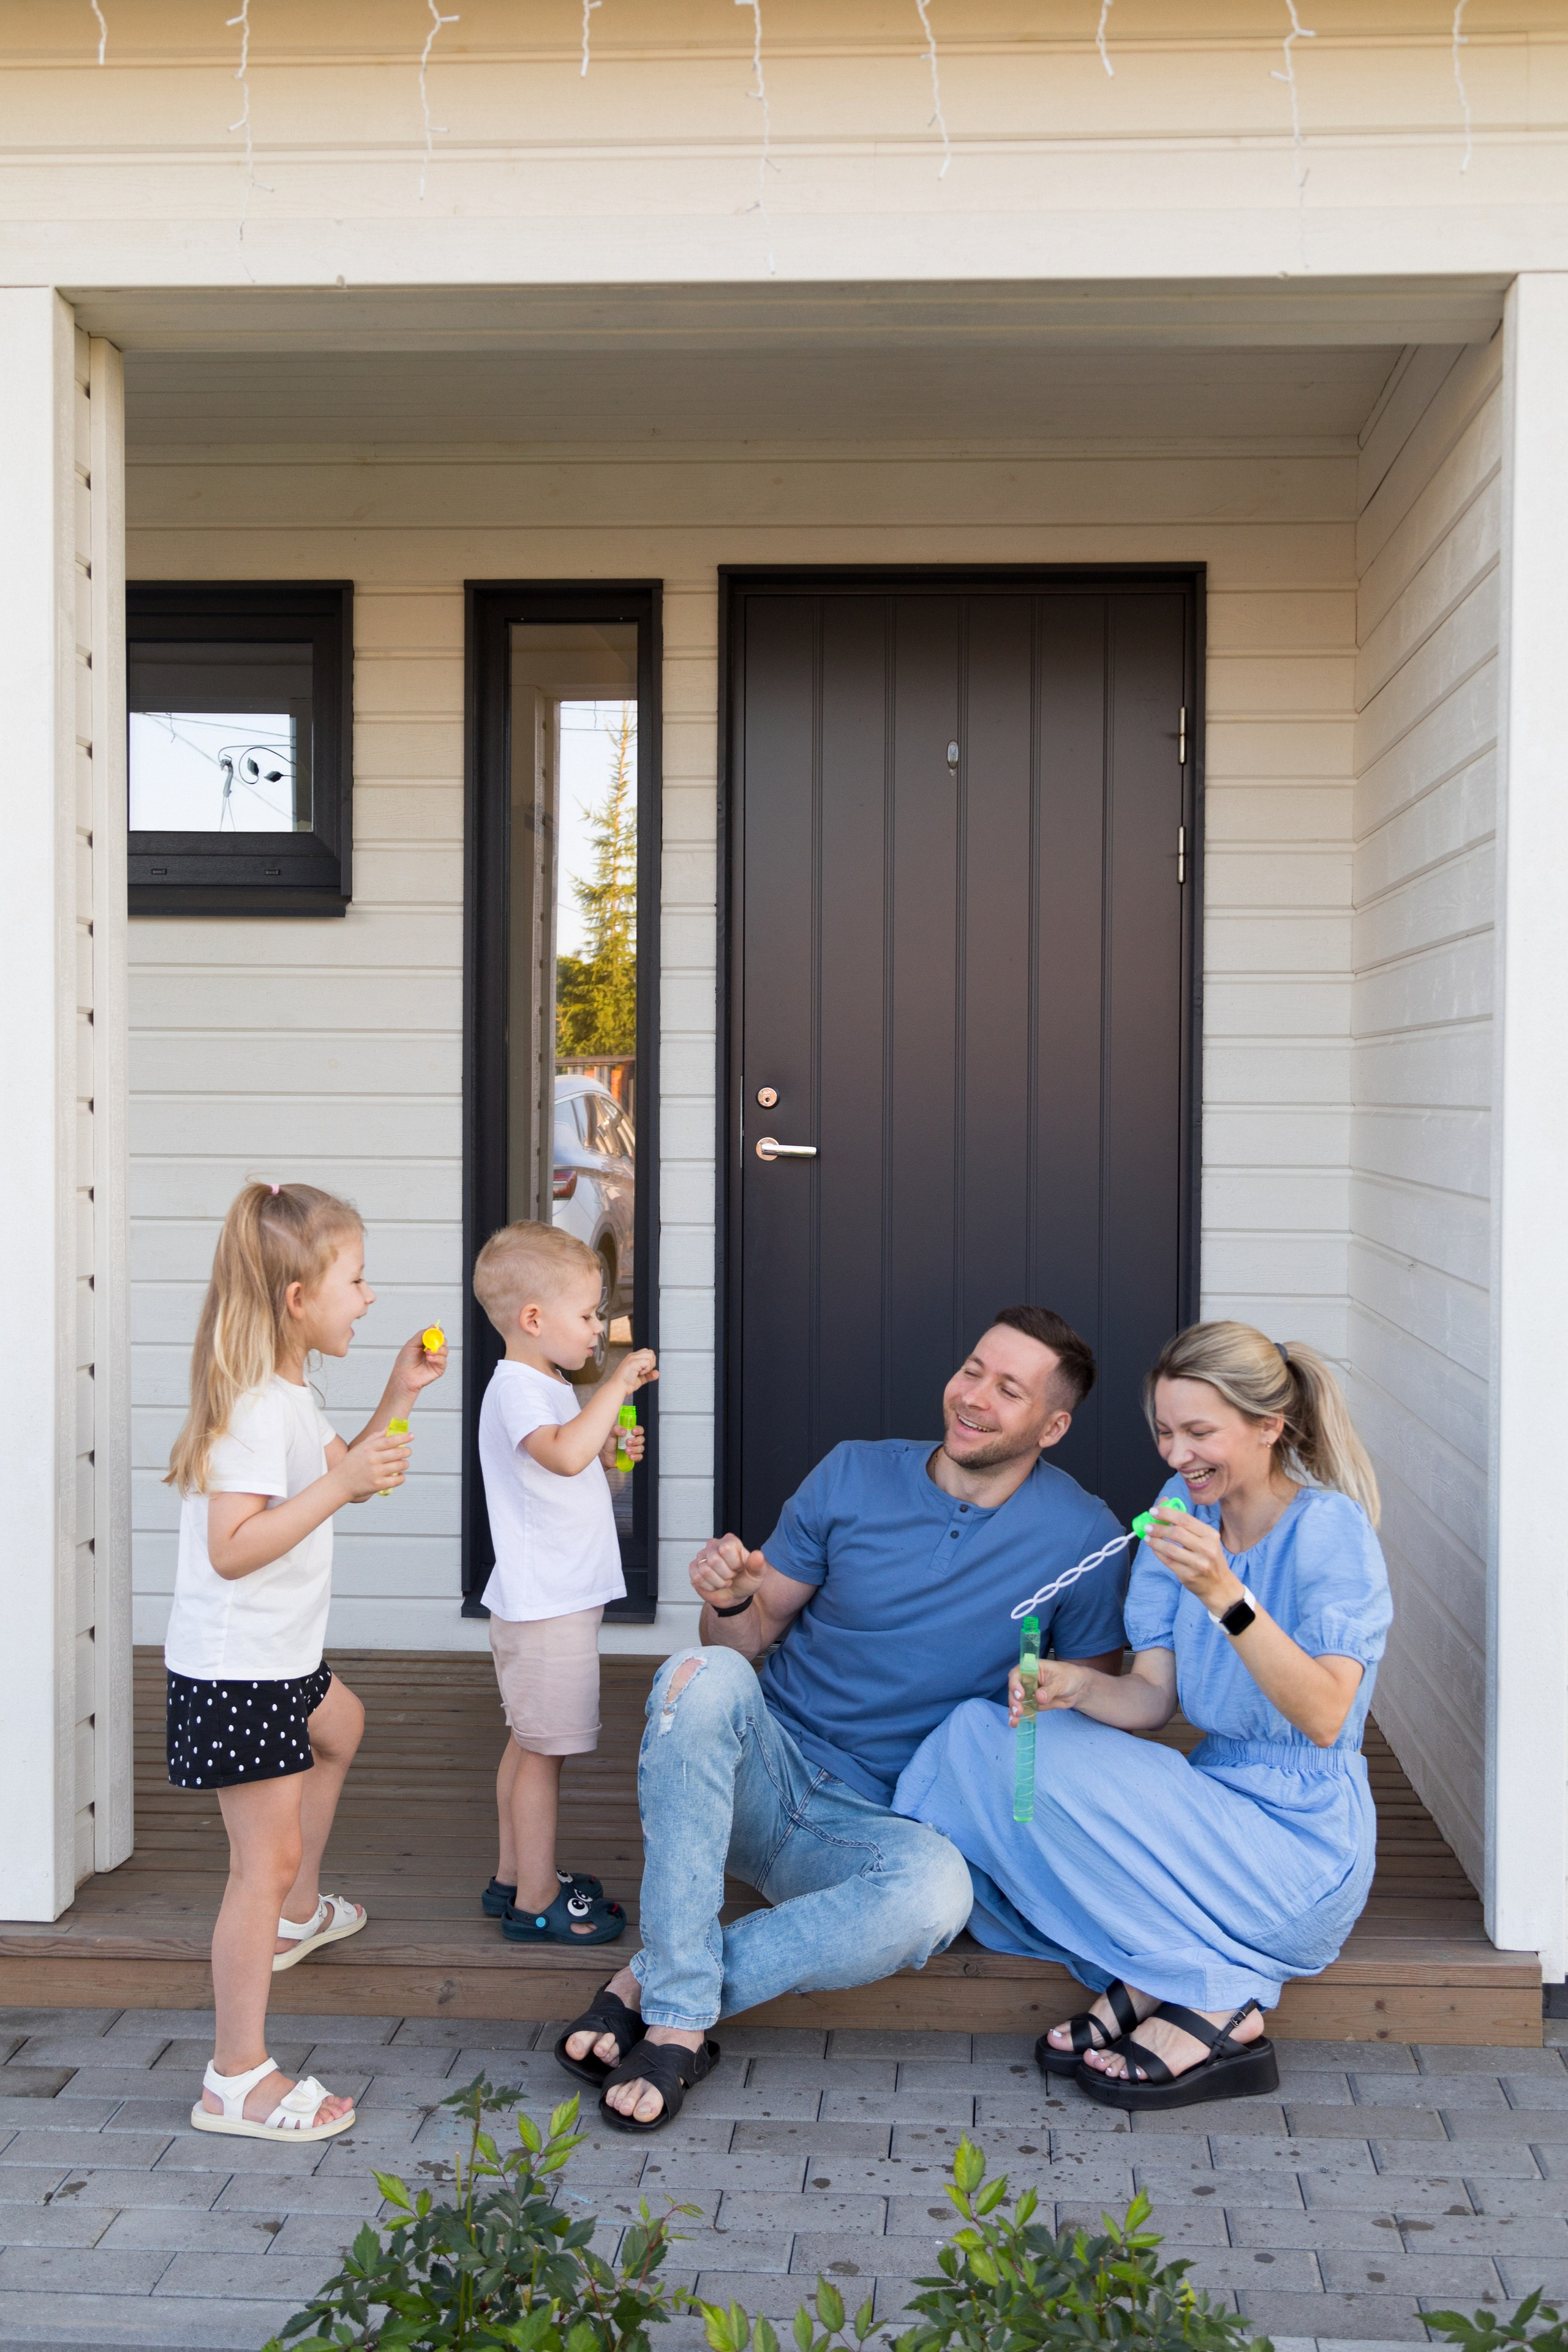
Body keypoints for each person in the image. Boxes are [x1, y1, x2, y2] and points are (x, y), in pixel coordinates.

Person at [553, 1305, 1129, 2133]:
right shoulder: (853, 1473)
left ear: (1054, 1426)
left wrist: (1058, 1691)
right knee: (698, 1672)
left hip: (880, 1823)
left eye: (1009, 1390)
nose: (974, 1396)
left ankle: (650, 1988)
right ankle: (679, 2024)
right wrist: (732, 1600)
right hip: (759, 1776)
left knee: (936, 1896)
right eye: (972, 1370)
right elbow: (746, 1639)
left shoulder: (1085, 1538)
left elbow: (1090, 1714)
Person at [895, 1319, 1393, 2114]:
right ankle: (1171, 1966)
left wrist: (1226, 1595)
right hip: (1214, 1801)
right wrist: (1073, 1687)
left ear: (1269, 1427)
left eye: (1199, 1433)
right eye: (1164, 1432)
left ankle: (1213, 1994)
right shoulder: (1178, 1506)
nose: (1175, 1455)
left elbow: (1327, 1714)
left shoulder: (1327, 1529)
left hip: (1301, 1853)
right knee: (982, 1736)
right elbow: (1153, 1700)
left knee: (1015, 1760)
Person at [164, 1181, 447, 2143]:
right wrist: (343, 1482)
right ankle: (234, 2077)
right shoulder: (252, 1407)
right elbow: (232, 1547)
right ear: (297, 1299)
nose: (369, 1297)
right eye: (355, 1281)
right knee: (261, 1861)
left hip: (278, 1660)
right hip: (238, 1671)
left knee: (343, 1724)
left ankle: (296, 1915)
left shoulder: (287, 1394)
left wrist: (400, 1396)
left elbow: (346, 1476)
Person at [472, 1220, 655, 1947]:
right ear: (533, 1319)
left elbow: (577, 1470)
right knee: (544, 1755)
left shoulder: (544, 1386)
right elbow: (562, 1455)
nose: (598, 1329)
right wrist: (614, 1387)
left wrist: (613, 1455)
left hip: (552, 1600)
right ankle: (538, 1900)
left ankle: (514, 1875)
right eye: (586, 1315)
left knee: (528, 1744)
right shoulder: (518, 1388)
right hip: (545, 1606)